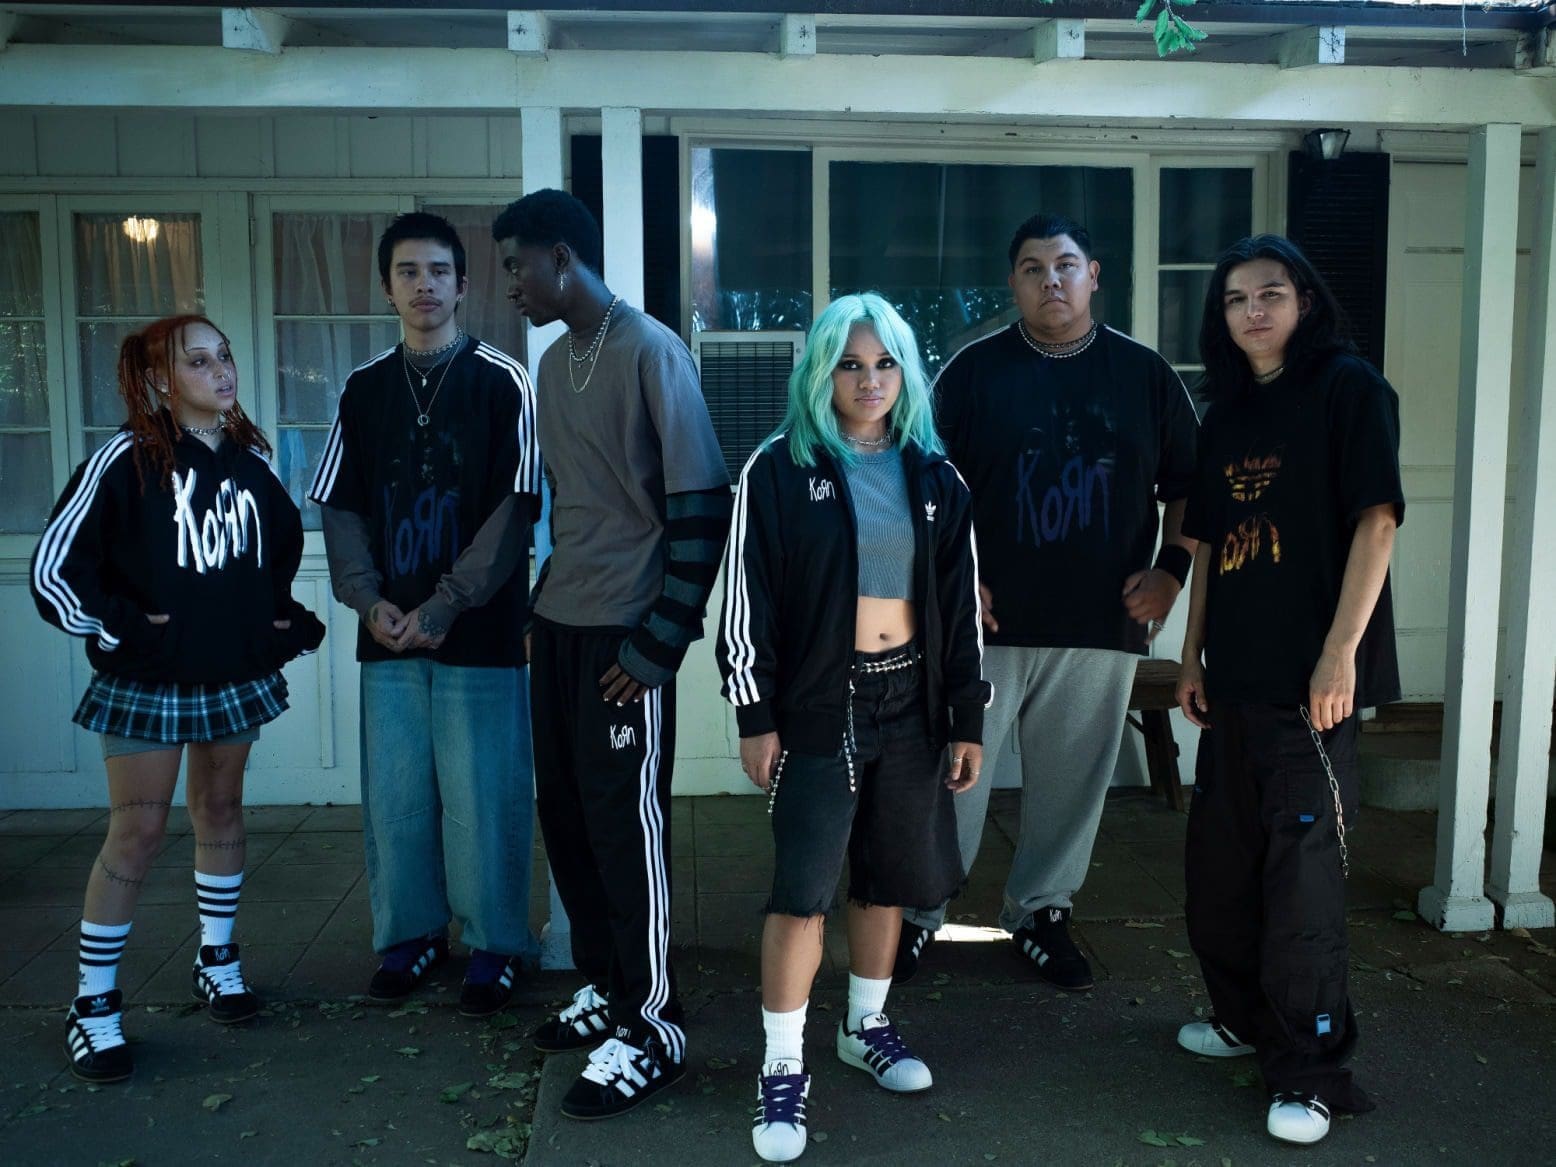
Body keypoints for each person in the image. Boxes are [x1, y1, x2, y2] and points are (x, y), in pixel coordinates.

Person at [717, 293, 989, 1163]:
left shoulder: (936, 476)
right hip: (819, 707)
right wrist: (754, 713)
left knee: (886, 877)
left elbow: (959, 609)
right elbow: (746, 601)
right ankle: (782, 1065)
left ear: (905, 372)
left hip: (910, 702)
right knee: (802, 890)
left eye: (884, 363)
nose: (869, 380)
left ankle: (864, 1024)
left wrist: (966, 716)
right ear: (821, 372)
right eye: (849, 364)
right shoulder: (777, 468)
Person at [896, 212, 1200, 990]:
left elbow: (1190, 485)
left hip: (1102, 622)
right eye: (1032, 268)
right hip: (984, 627)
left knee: (1072, 784)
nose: (1050, 280)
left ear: (1094, 275)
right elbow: (923, 487)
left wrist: (1171, 570)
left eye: (1065, 264)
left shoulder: (1144, 375)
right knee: (953, 777)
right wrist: (951, 579)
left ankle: (1041, 912)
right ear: (1014, 283)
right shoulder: (973, 372)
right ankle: (921, 910)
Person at [30, 315, 325, 1083]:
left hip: (229, 673)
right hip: (148, 679)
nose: (221, 370)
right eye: (198, 361)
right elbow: (54, 570)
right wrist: (126, 626)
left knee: (221, 809)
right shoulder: (125, 457)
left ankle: (217, 961)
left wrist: (278, 620)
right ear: (161, 379)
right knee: (138, 829)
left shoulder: (251, 462)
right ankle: (93, 1003)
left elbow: (274, 556)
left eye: (224, 355)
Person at [494, 189, 731, 1121]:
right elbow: (570, 504)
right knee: (568, 819)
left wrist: (661, 641)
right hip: (560, 627)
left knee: (626, 831)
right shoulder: (553, 364)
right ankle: (604, 983)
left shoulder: (652, 350)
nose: (510, 284)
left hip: (627, 640)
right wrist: (538, 610)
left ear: (561, 257)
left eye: (516, 265)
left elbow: (701, 504)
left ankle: (653, 1023)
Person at [1174, 234, 1401, 1146]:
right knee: (1219, 873)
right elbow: (1208, 548)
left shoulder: (1349, 389)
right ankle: (1243, 1020)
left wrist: (1341, 654)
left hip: (1312, 686)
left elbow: (1377, 523)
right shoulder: (1227, 412)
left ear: (1305, 300)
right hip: (1233, 678)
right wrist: (1191, 654)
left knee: (1301, 886)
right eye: (1235, 299)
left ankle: (1309, 1072)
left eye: (1270, 292)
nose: (1253, 310)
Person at [309, 212, 542, 1017]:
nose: (424, 285)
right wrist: (367, 598)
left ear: (463, 284)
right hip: (388, 632)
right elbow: (339, 503)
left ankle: (496, 945)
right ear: (387, 287)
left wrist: (446, 603)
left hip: (479, 631)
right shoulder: (363, 388)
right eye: (407, 271)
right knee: (399, 794)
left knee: (486, 795)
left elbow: (517, 507)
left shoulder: (503, 380)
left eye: (439, 270)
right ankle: (409, 936)